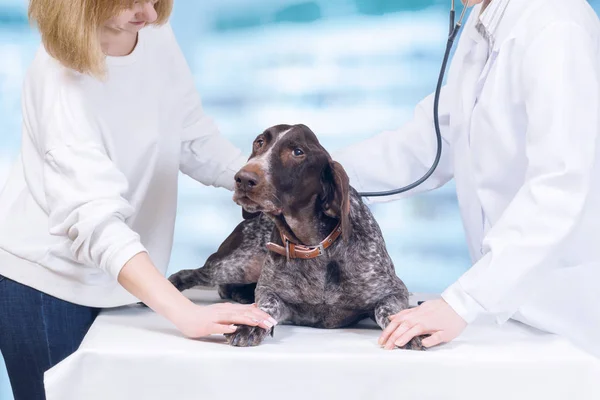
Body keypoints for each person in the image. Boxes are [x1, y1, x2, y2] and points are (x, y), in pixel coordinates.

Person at [0, 1, 277, 398]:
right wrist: (185, 313)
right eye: (128, 2)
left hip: (122, 277)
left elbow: (191, 134)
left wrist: (262, 185)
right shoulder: (59, 77)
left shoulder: (151, 33)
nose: (147, 13)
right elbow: (95, 220)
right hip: (47, 285)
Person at [333, 0, 600, 357]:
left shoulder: (557, 27)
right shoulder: (485, 16)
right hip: (513, 309)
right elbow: (431, 141)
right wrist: (315, 175)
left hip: (567, 319)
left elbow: (559, 187)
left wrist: (462, 302)